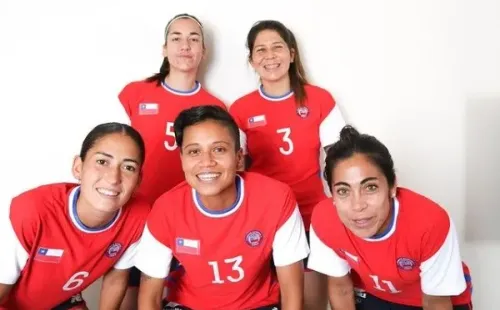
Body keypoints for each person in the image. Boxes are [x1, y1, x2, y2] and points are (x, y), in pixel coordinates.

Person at [134, 105, 310, 310]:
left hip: (257, 306)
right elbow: (149, 298)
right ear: (182, 159)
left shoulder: (277, 198)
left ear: (238, 158)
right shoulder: (166, 209)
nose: (207, 162)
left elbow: (292, 295)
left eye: (219, 149)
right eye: (194, 151)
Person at [228, 19, 346, 309]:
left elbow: (341, 158)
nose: (270, 56)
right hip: (262, 217)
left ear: (292, 54)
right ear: (252, 60)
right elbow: (234, 169)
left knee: (311, 302)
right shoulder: (240, 109)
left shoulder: (320, 99)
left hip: (310, 214)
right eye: (261, 50)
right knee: (270, 300)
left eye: (277, 47)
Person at [117, 13, 226, 308]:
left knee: (176, 297)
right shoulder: (134, 94)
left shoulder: (215, 107)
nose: (185, 45)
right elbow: (112, 151)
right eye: (176, 38)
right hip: (137, 215)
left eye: (194, 39)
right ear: (164, 48)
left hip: (187, 221)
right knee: (132, 295)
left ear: (204, 51)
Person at [307, 125, 474, 310]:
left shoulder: (430, 223)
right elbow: (341, 289)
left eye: (370, 187)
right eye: (343, 191)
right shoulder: (324, 220)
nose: (358, 205)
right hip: (374, 296)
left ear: (392, 185)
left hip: (432, 299)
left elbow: (435, 303)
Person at [0, 122, 151, 310]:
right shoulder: (33, 210)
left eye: (128, 167)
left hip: (61, 302)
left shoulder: (140, 216)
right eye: (102, 162)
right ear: (78, 167)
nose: (113, 178)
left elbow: (116, 278)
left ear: (138, 180)